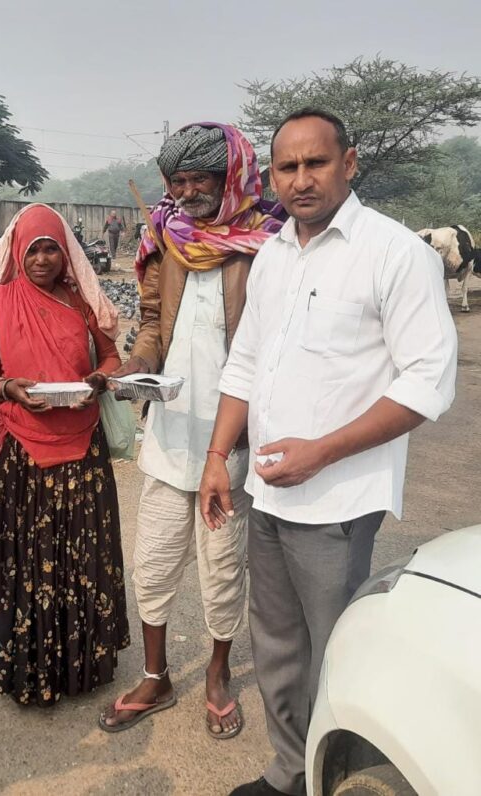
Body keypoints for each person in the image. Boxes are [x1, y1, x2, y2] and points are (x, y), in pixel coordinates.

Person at [200, 109, 457, 796]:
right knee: (278, 647)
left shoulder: (396, 253)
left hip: (340, 501)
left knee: (338, 652)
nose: (302, 179)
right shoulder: (275, 253)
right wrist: (218, 456)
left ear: (349, 162)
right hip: (268, 491)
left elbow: (428, 383)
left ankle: (329, 776)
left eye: (316, 163)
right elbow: (246, 363)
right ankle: (289, 773)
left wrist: (324, 451)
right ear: (272, 176)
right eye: (287, 167)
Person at [99, 123, 285, 737]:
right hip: (170, 430)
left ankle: (216, 672)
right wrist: (135, 369)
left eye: (198, 178)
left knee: (223, 565)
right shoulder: (166, 238)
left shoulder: (272, 242)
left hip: (231, 438)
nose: (186, 191)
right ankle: (155, 677)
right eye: (176, 181)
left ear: (229, 175)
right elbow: (153, 325)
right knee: (153, 561)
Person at [0, 203, 130, 707]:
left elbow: (113, 357)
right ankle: (30, 670)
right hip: (23, 456)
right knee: (31, 562)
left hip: (83, 450)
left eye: (51, 248)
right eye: (32, 248)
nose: (41, 258)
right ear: (17, 250)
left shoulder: (81, 304)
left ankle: (85, 666)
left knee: (84, 555)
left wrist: (99, 380)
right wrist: (8, 387)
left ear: (65, 252)